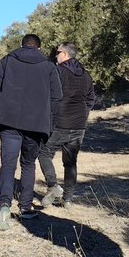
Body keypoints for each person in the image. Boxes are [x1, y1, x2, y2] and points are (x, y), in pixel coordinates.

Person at [0, 33, 62, 230]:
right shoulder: (49, 66)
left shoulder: (8, 60)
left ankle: (4, 206)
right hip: (36, 124)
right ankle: (26, 208)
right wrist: (49, 122)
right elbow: (56, 98)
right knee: (28, 164)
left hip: (9, 122)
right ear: (39, 47)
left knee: (7, 165)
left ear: (22, 45)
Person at [38, 43, 95, 208]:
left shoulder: (57, 72)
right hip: (79, 125)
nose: (55, 56)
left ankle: (53, 186)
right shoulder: (86, 75)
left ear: (64, 54)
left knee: (44, 152)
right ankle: (68, 199)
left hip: (60, 123)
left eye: (57, 53)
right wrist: (83, 114)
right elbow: (91, 99)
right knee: (70, 162)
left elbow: (48, 95)